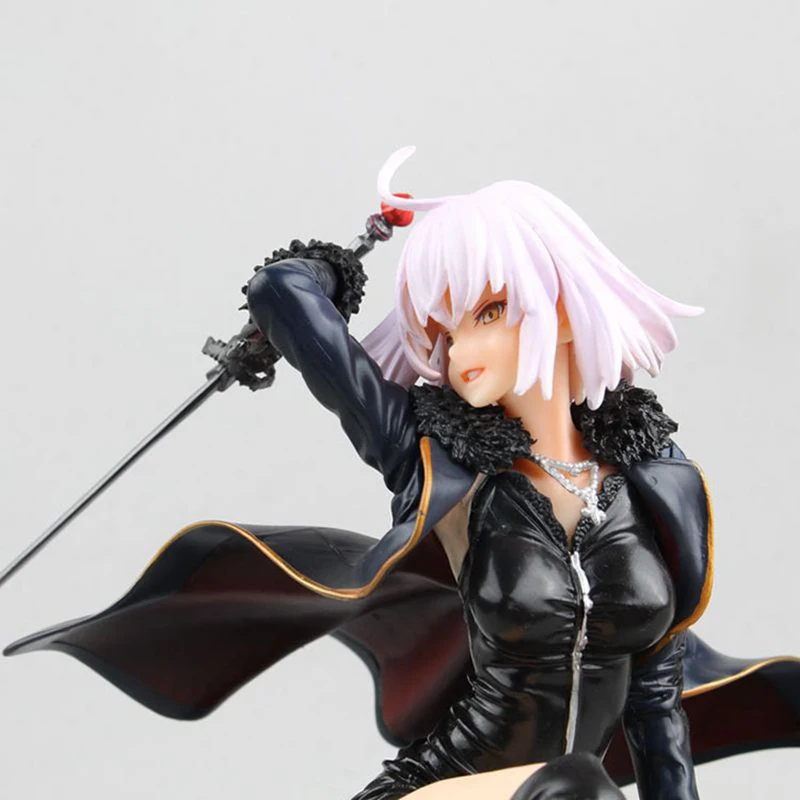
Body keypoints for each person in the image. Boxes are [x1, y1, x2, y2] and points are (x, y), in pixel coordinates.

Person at [6, 148, 799, 799]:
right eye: (444, 329)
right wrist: (342, 261)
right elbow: (282, 292)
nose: (461, 351)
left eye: (489, 312)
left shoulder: (655, 482)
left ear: (560, 307)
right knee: (577, 789)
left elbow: (657, 712)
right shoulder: (436, 456)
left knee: (579, 788)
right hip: (446, 789)